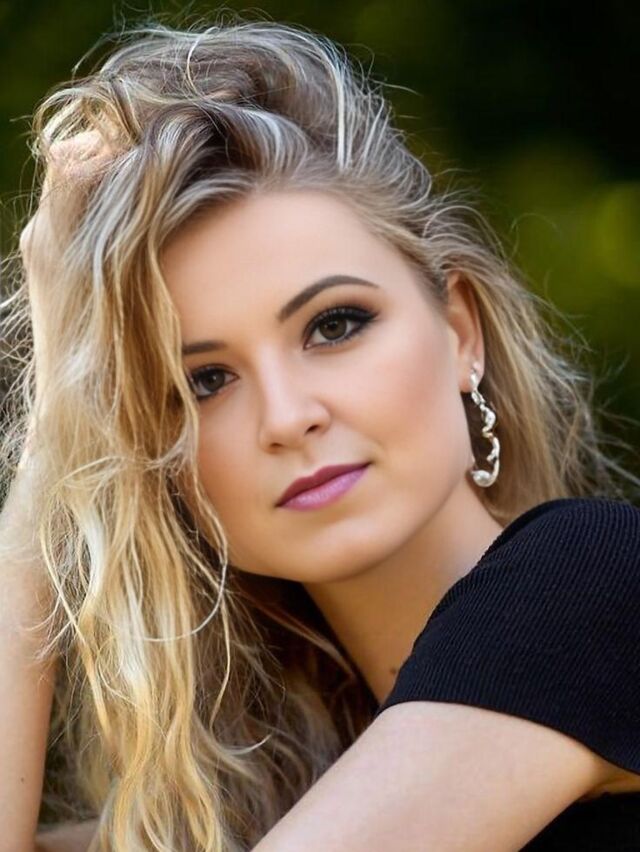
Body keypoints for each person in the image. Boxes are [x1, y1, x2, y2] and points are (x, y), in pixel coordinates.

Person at [1, 12, 639, 852]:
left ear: (460, 332)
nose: (287, 417)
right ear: (151, 455)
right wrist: (55, 435)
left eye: (335, 326)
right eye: (204, 382)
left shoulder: (597, 585)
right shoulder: (257, 801)